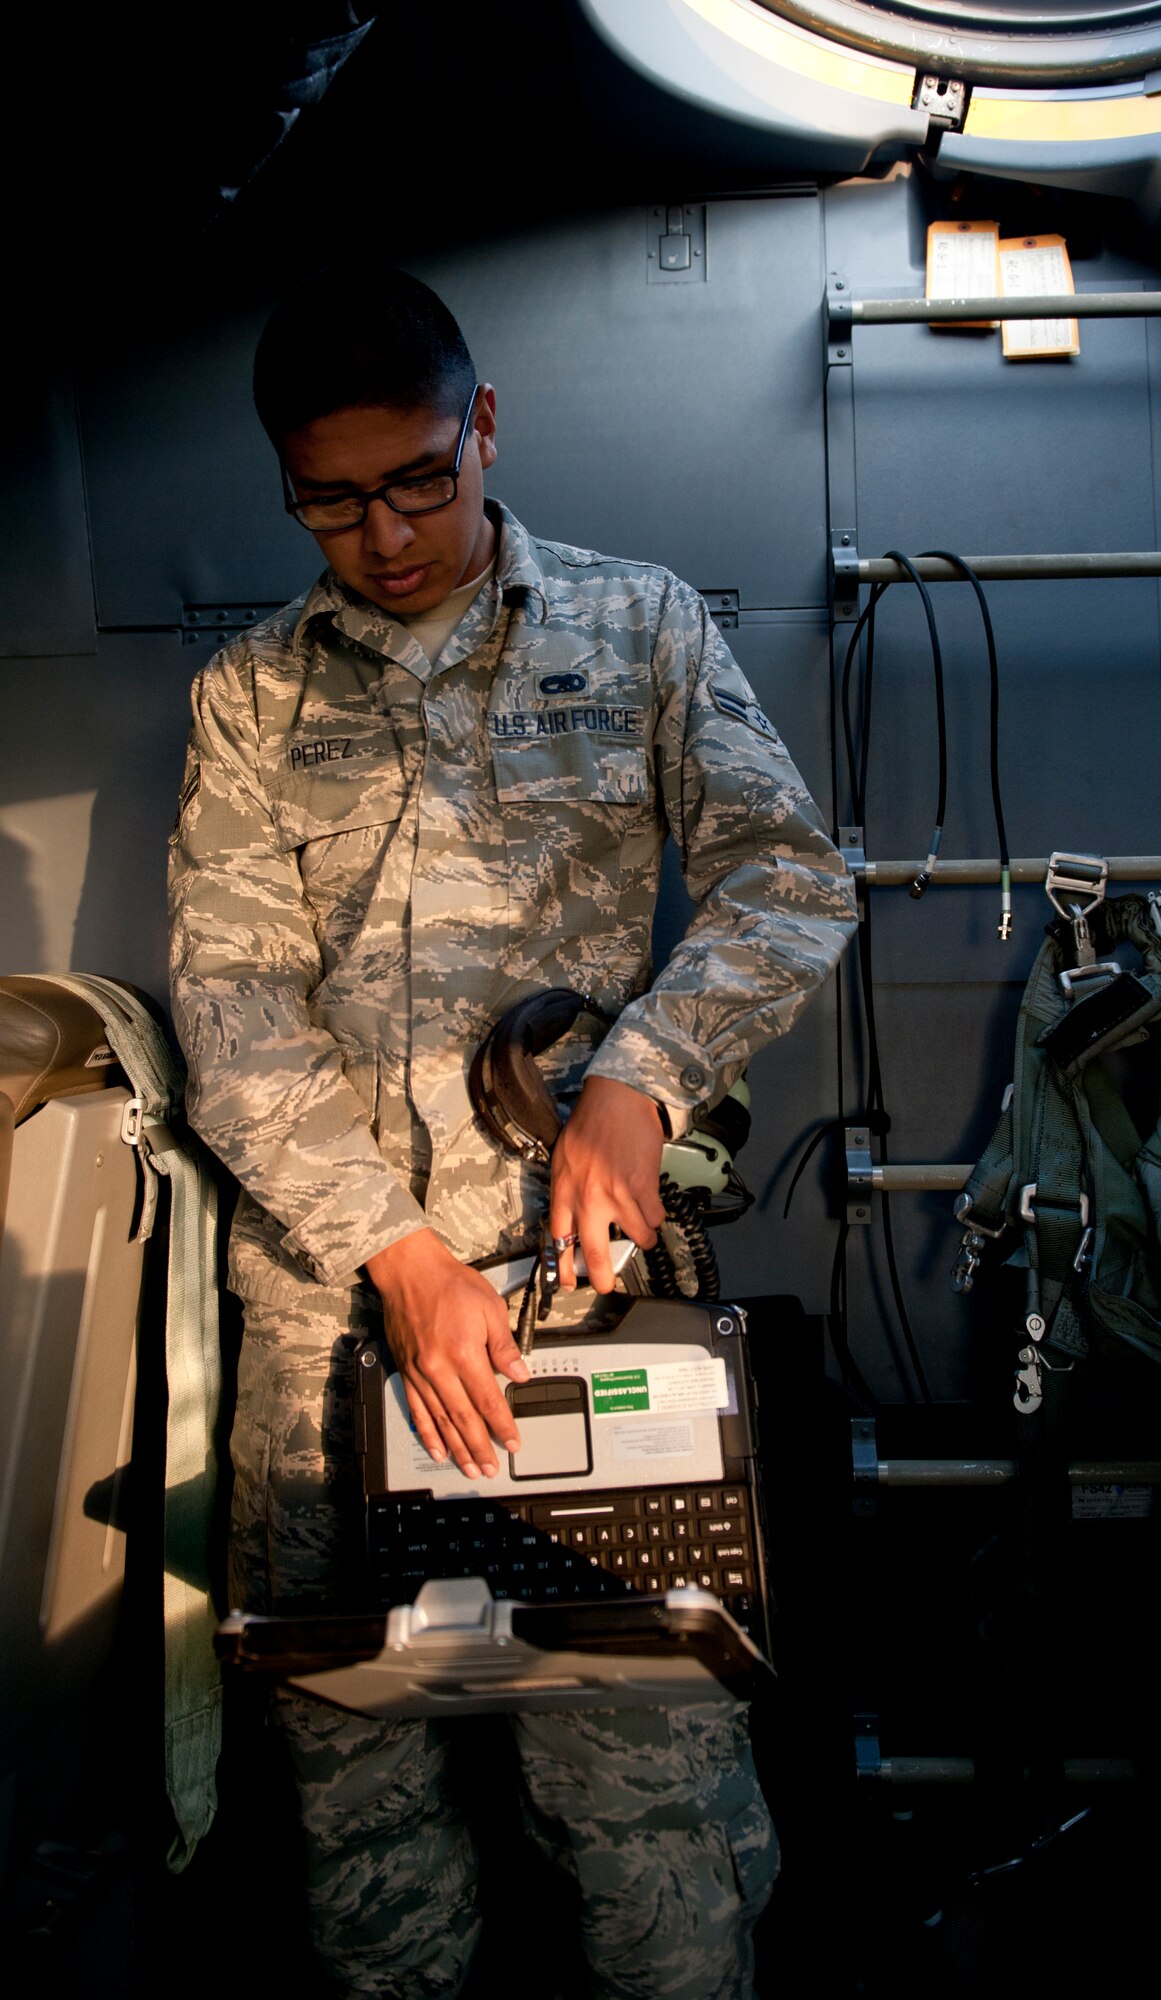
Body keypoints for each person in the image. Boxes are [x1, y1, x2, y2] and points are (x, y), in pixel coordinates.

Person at [168, 267, 856, 1997]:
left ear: (481, 429)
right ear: (283, 487)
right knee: (362, 1788)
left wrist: (642, 1076)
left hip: (578, 1300)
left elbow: (788, 875)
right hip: (334, 1323)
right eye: (331, 501)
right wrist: (392, 1252)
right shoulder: (249, 698)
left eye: (417, 480)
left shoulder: (637, 630)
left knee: (640, 1781)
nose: (385, 535)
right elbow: (233, 1007)